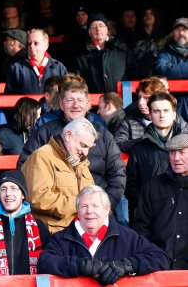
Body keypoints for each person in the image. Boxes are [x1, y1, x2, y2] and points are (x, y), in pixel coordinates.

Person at [18, 80, 126, 212]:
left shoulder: (102, 133)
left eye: (80, 100)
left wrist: (106, 206)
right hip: (56, 212)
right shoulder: (45, 132)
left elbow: (118, 173)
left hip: (98, 208)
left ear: (88, 104)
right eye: (70, 100)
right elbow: (25, 167)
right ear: (61, 105)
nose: (76, 105)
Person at [37, 185, 169, 285]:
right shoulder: (62, 238)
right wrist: (81, 266)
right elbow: (44, 263)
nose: (89, 211)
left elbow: (160, 257)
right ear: (77, 210)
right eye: (84, 206)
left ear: (107, 209)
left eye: (95, 206)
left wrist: (126, 265)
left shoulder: (127, 236)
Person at [22, 118, 97, 233]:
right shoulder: (42, 156)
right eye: (83, 145)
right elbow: (37, 198)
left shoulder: (81, 162)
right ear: (68, 135)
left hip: (78, 232)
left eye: (88, 148)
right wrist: (79, 204)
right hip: (52, 235)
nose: (86, 153)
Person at [0, 170, 50, 275]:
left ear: (23, 194)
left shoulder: (39, 227)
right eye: (3, 189)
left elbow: (48, 266)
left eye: (13, 188)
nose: (8, 194)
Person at [127, 93, 187, 223]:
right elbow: (131, 186)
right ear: (149, 115)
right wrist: (147, 205)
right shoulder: (138, 149)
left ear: (174, 113)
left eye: (166, 110)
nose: (162, 115)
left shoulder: (187, 145)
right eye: (156, 111)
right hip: (150, 217)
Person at [134, 134, 188, 269]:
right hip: (158, 266)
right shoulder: (152, 186)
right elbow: (142, 228)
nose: (176, 158)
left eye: (182, 152)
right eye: (172, 153)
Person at [72, 12, 137, 92]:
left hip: (122, 101)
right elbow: (78, 84)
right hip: (94, 102)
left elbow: (134, 77)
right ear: (89, 32)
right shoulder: (81, 57)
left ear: (107, 30)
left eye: (101, 25)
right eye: (93, 26)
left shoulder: (123, 52)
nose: (98, 29)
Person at [114, 76, 168, 153]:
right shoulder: (128, 119)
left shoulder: (175, 119)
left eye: (146, 98)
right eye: (139, 97)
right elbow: (118, 144)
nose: (141, 103)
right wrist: (144, 142)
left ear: (159, 99)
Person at [4, 29, 67, 94]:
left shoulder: (59, 68)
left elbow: (66, 94)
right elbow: (9, 96)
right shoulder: (16, 68)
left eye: (36, 43)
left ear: (46, 45)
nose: (31, 46)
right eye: (29, 43)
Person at [155, 17, 188, 120]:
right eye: (177, 30)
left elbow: (167, 70)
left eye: (184, 30)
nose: (181, 33)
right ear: (173, 33)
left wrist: (172, 69)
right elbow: (160, 69)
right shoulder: (165, 52)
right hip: (174, 103)